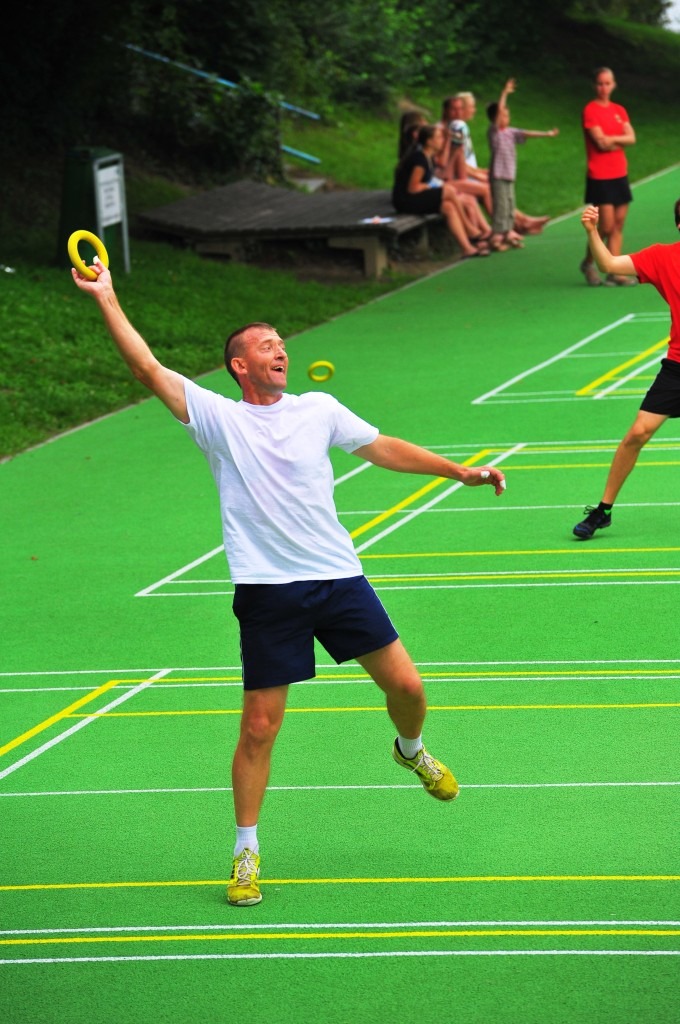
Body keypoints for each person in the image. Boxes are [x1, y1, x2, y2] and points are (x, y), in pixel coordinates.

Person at [70, 259, 507, 907]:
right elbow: (147, 369)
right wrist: (106, 296)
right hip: (268, 589)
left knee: (409, 689)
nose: (280, 350)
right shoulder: (217, 418)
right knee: (259, 728)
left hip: (338, 579)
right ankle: (245, 852)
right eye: (266, 345)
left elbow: (382, 447)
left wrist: (458, 471)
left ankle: (410, 750)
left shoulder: (318, 409)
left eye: (281, 343)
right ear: (239, 366)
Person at [573, 199, 680, 538]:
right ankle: (603, 510)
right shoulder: (663, 257)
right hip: (678, 366)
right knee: (637, 434)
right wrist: (592, 231)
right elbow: (608, 263)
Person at [442, 93, 551, 236]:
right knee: (490, 188)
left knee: (498, 189)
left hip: (466, 175)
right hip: (458, 178)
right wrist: (477, 175)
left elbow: (461, 159)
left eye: (463, 108)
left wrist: (478, 172)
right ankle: (505, 229)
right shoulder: (458, 127)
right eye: (470, 107)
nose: (473, 110)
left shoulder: (459, 127)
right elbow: (454, 160)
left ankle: (517, 223)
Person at [392, 123, 491, 258]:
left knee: (448, 207)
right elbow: (413, 188)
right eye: (439, 137)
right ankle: (469, 228)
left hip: (414, 197)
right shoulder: (419, 160)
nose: (442, 140)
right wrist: (429, 186)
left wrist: (450, 142)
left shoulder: (429, 157)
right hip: (406, 200)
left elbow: (444, 168)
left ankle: (467, 248)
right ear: (429, 142)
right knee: (449, 190)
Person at [579, 67, 637, 288]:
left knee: (618, 224)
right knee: (605, 226)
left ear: (614, 85)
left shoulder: (619, 110)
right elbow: (600, 143)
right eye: (600, 83)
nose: (604, 87)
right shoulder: (590, 110)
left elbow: (631, 138)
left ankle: (615, 272)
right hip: (600, 175)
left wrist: (612, 139)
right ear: (595, 86)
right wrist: (618, 140)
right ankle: (588, 263)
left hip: (620, 172)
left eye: (607, 83)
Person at [486, 79, 559, 252]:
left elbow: (527, 133)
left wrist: (547, 134)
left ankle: (508, 233)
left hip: (509, 175)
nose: (506, 118)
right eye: (503, 115)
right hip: (498, 175)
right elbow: (499, 114)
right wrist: (504, 93)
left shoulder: (510, 132)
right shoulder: (494, 132)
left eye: (507, 115)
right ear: (496, 118)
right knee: (501, 206)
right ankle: (496, 236)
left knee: (510, 205)